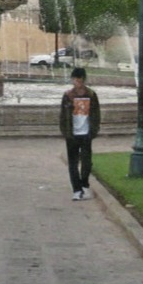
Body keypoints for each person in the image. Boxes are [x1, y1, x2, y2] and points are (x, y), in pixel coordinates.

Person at [59, 67, 101, 201]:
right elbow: (62, 115)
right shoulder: (68, 95)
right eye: (76, 80)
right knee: (73, 162)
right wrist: (65, 131)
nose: (78, 83)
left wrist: (94, 130)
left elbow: (96, 114)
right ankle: (76, 189)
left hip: (86, 132)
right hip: (72, 133)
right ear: (72, 80)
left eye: (80, 81)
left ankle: (84, 183)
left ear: (84, 80)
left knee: (87, 162)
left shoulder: (91, 95)